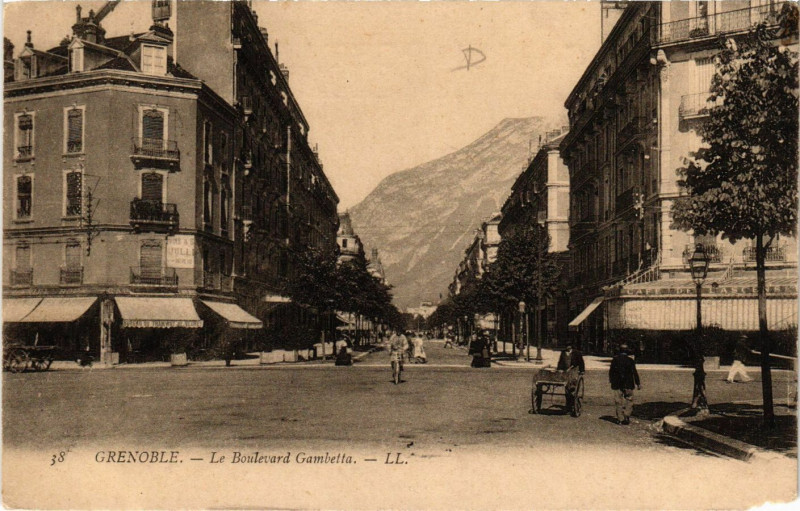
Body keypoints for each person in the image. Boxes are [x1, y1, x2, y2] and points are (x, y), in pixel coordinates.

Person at [609, 343, 641, 425]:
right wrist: (638, 383)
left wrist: (612, 381)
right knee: (629, 400)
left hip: (617, 384)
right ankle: (626, 415)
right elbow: (634, 372)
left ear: (619, 351)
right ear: (627, 351)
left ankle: (620, 418)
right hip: (628, 384)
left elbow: (611, 372)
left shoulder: (615, 360)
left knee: (618, 401)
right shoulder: (630, 361)